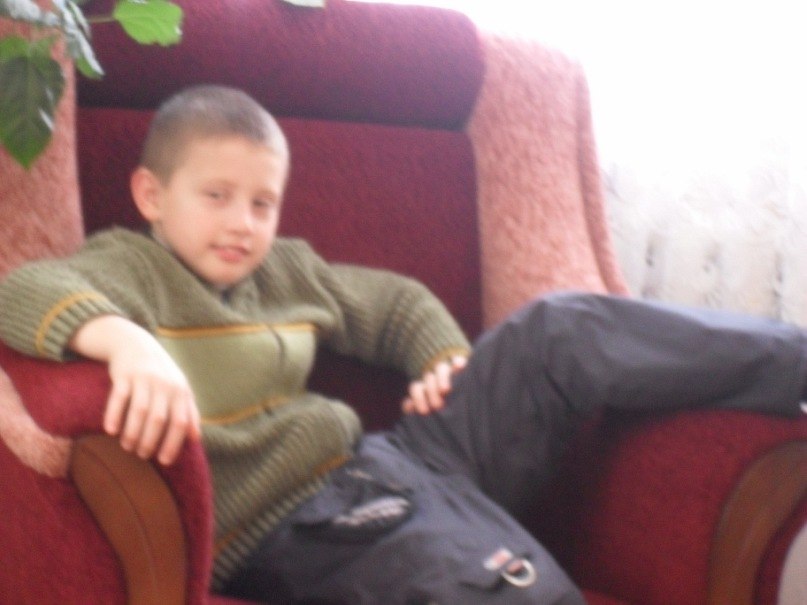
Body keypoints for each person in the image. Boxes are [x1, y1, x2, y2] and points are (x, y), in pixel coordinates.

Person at [1, 85, 806, 605]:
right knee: (505, 588)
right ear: (152, 194)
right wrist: (125, 342)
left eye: (263, 202)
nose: (243, 223)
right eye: (217, 196)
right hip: (301, 523)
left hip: (396, 455)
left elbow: (396, 303)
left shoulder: (288, 269)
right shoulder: (127, 266)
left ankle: (795, 360)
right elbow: (19, 290)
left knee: (562, 328)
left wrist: (442, 358)